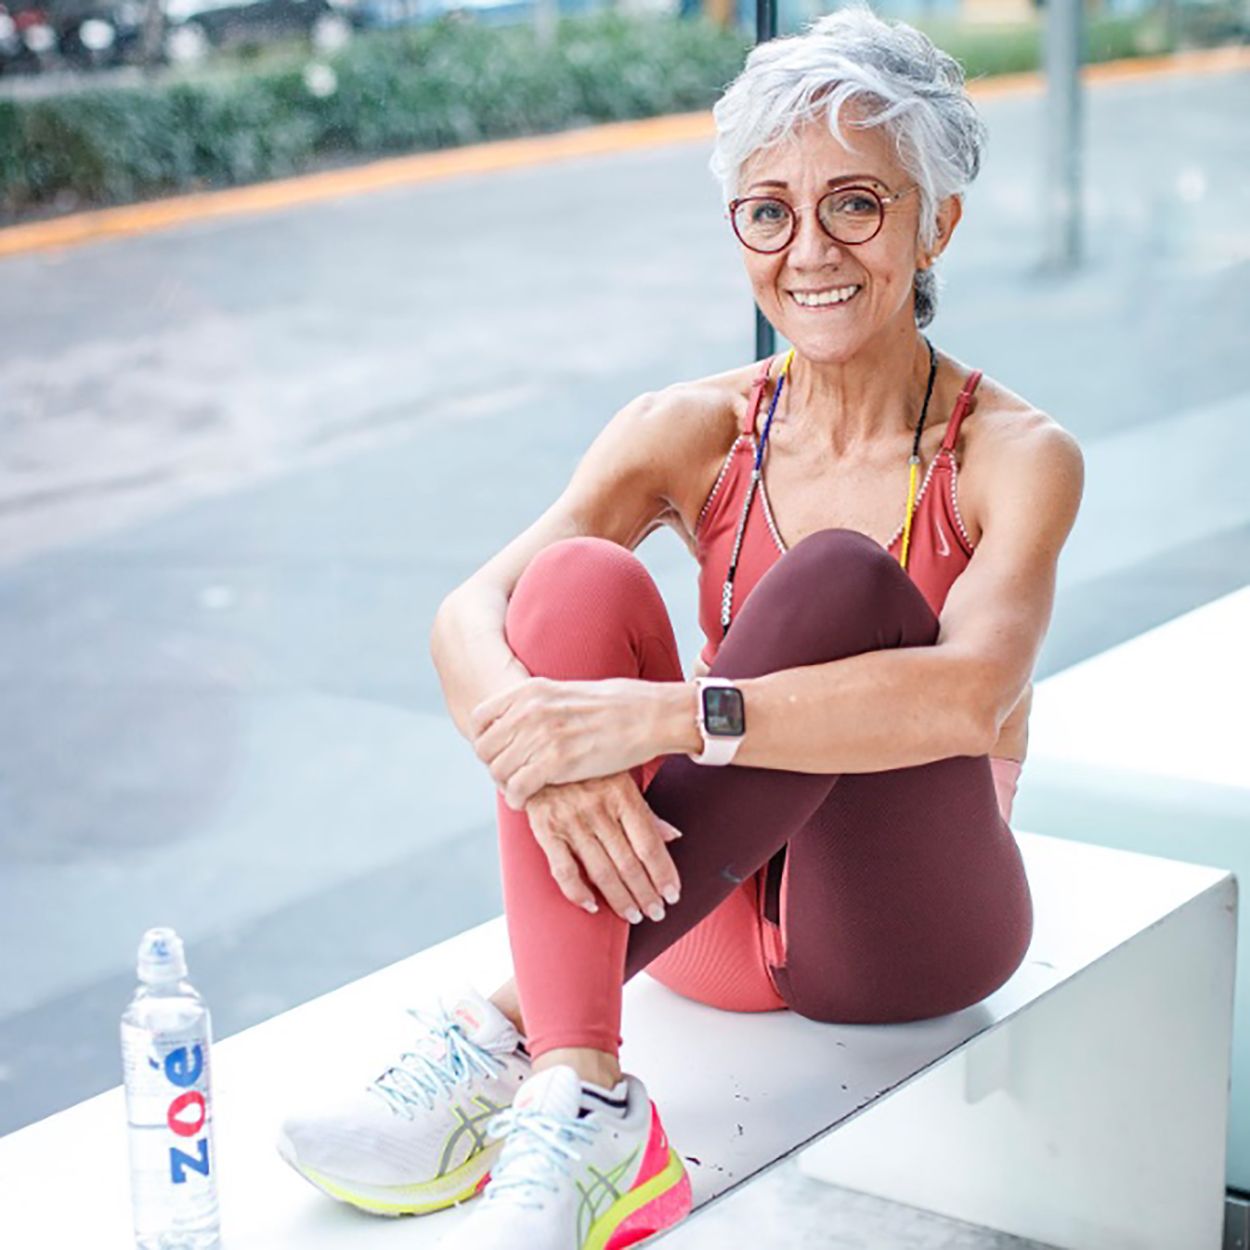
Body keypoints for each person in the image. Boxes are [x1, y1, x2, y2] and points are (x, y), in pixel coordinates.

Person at [275, 3, 1085, 1247]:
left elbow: (968, 691)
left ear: (936, 222)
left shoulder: (1012, 454)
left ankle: (509, 1022)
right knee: (568, 588)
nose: (807, 249)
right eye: (768, 211)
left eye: (855, 203)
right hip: (696, 923)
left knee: (840, 585)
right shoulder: (690, 427)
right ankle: (582, 1089)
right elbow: (468, 614)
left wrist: (652, 716)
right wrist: (547, 761)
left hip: (906, 932)